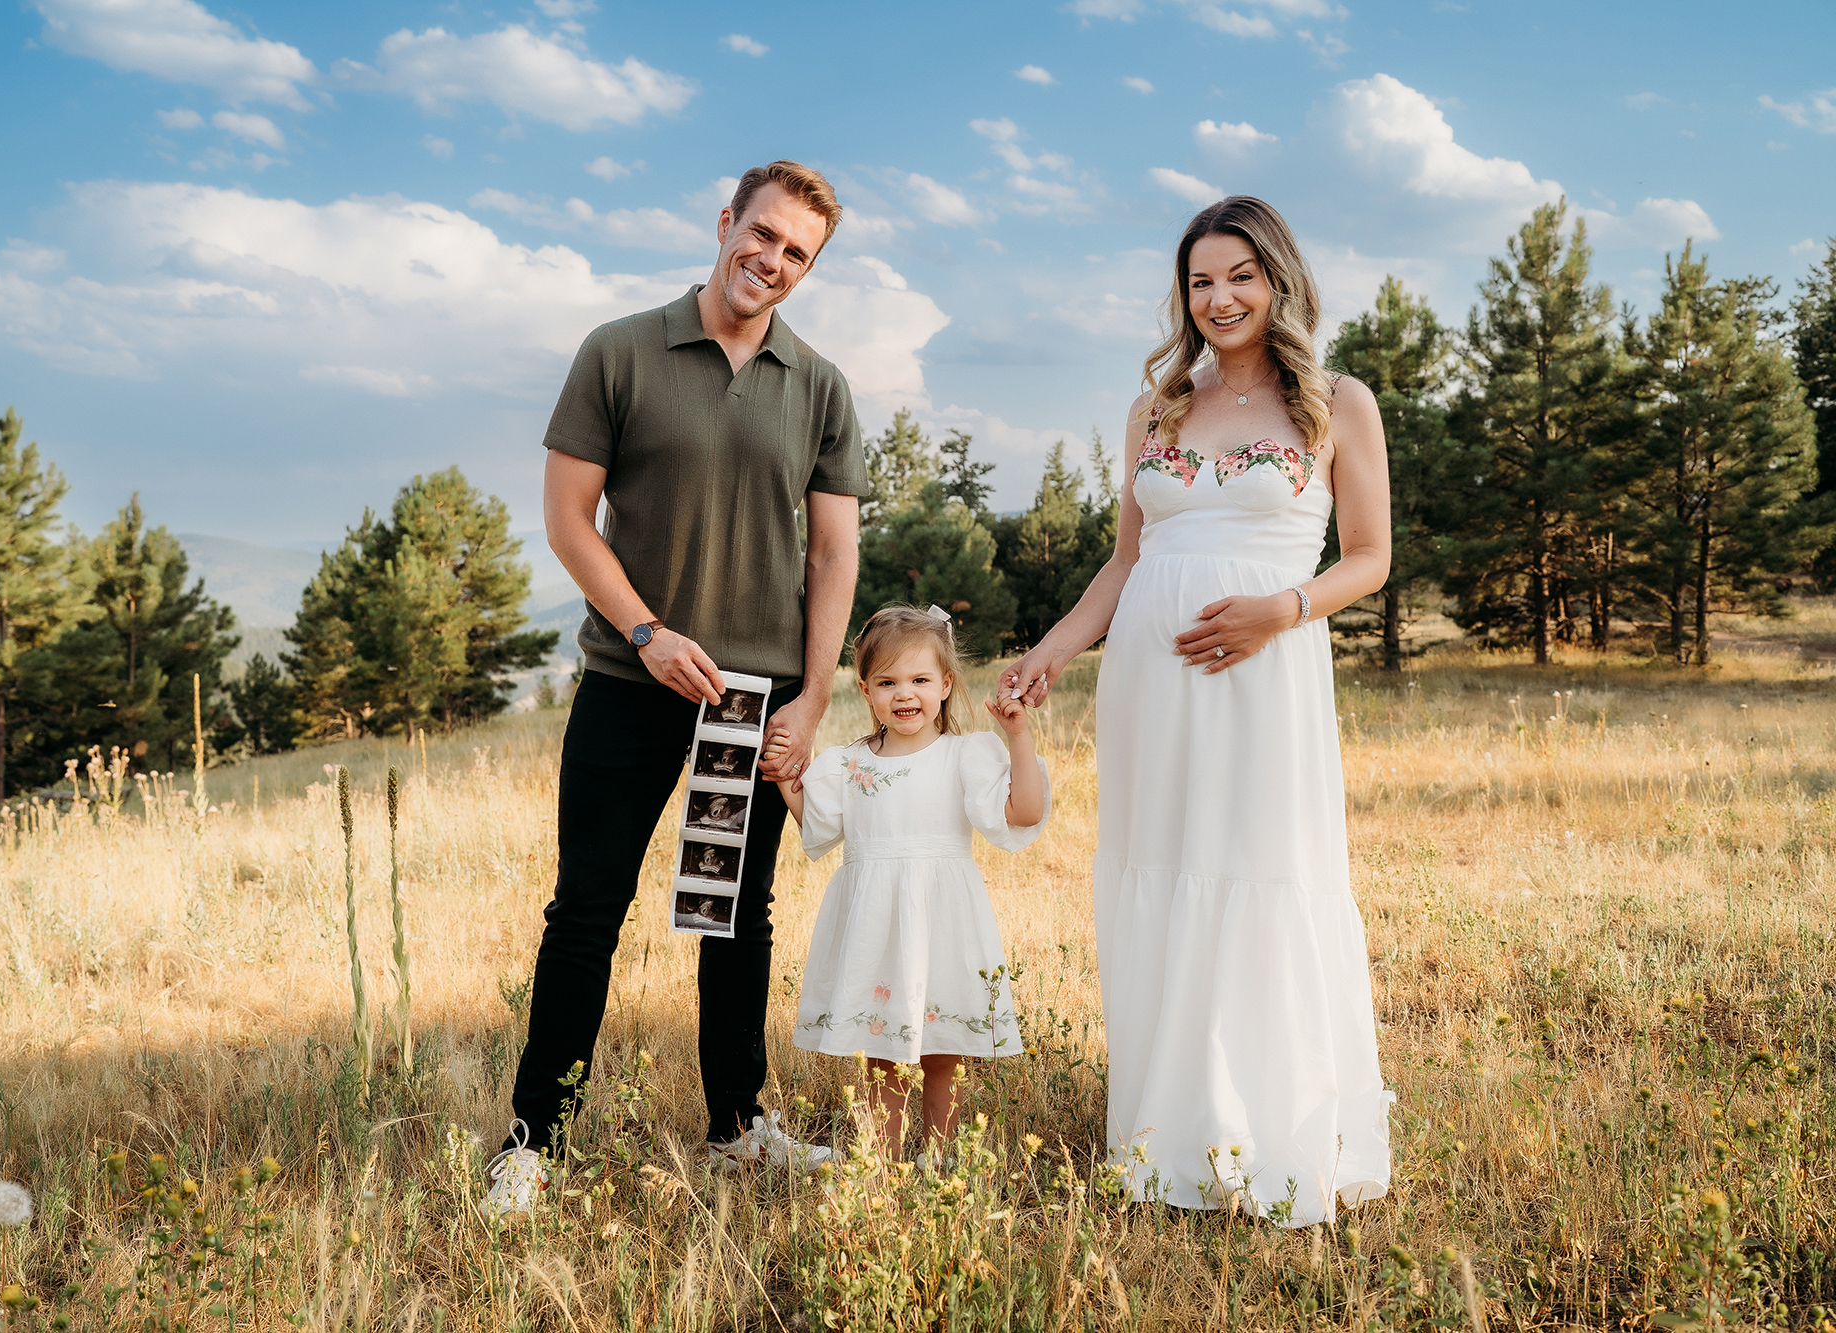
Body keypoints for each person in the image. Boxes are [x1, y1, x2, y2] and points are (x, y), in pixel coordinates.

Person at [1002, 196, 1394, 1226]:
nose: (1217, 298)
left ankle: (1279, 1135)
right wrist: (1050, 649)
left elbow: (1369, 557)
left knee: (1260, 873)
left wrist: (1282, 608)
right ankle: (1170, 1135)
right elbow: (1124, 564)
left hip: (1264, 675)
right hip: (1149, 683)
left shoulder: (1336, 402)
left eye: (1237, 277)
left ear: (1277, 280)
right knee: (1162, 875)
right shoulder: (1152, 409)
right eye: (1198, 282)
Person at [485, 161, 864, 1216]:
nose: (771, 261)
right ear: (724, 223)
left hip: (756, 697)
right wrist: (645, 632)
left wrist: (811, 696)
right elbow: (569, 520)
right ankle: (532, 1141)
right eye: (762, 235)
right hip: (631, 676)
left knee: (734, 916)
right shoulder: (618, 351)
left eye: (796, 251)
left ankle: (738, 1127)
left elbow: (832, 558)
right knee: (586, 912)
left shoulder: (820, 386)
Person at [769, 606, 1050, 1160]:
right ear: (866, 690)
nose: (905, 694)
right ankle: (885, 1160)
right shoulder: (848, 764)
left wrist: (1017, 735)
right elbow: (817, 825)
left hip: (941, 921)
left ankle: (938, 1158)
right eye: (888, 682)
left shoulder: (963, 755)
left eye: (920, 680)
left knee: (943, 1050)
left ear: (946, 685)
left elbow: (1023, 810)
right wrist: (784, 778)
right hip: (878, 924)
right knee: (882, 1049)